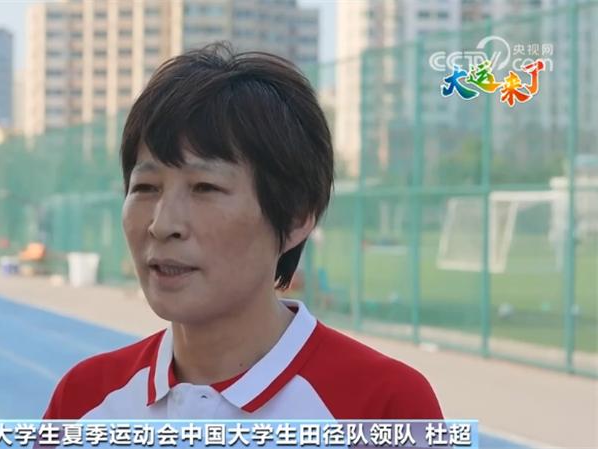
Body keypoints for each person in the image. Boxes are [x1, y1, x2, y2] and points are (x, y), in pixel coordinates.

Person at [42, 43, 443, 420]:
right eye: (146, 187)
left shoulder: (383, 405)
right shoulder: (84, 399)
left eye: (205, 188)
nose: (162, 225)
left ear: (296, 218)